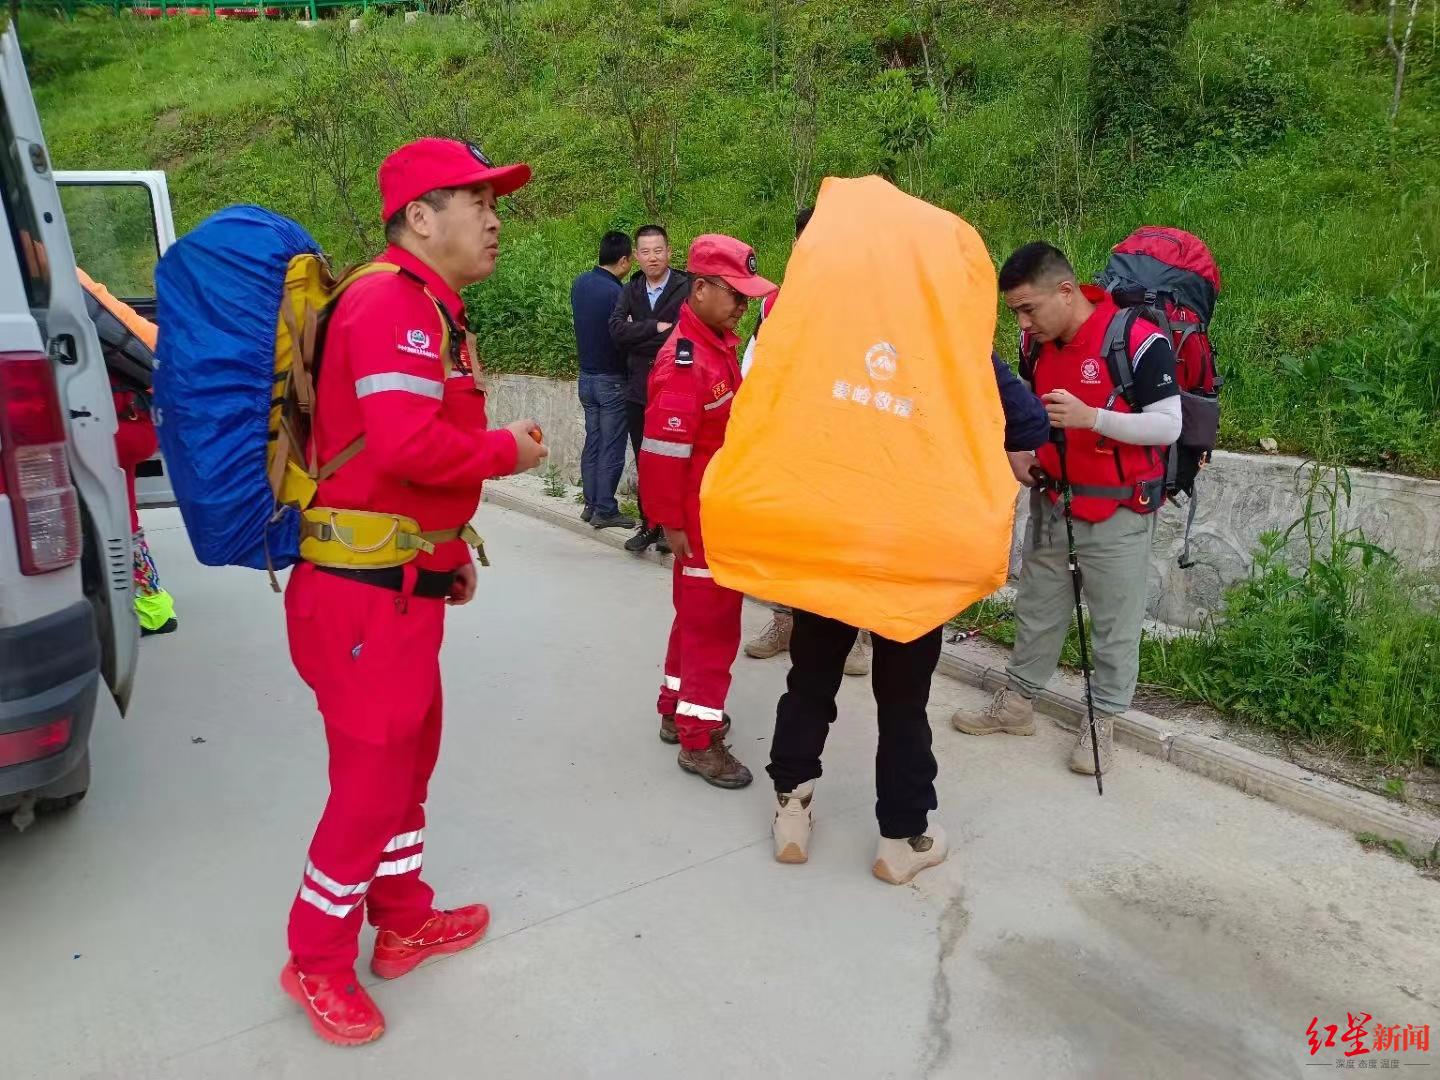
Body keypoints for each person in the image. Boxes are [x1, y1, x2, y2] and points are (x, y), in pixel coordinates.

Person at [278, 137, 549, 1047]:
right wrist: (506, 452)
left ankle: (400, 920)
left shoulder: (428, 306)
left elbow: (392, 470)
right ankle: (316, 957)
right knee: (369, 778)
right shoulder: (392, 302)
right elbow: (403, 447)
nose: (495, 217)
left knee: (409, 760)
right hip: (359, 600)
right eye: (478, 201)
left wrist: (444, 551)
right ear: (420, 218)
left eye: (495, 201)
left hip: (400, 585)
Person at [767, 352, 1052, 884]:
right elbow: (1029, 423)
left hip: (833, 533)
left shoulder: (836, 328)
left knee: (809, 682)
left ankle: (791, 811)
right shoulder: (951, 340)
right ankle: (901, 839)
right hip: (914, 548)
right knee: (902, 703)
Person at [950, 241, 1181, 777]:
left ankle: (1102, 721)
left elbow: (1168, 425)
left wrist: (1093, 418)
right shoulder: (1039, 347)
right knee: (1037, 604)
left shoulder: (1138, 341)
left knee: (1113, 620)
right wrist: (1024, 456)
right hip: (1055, 498)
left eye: (1029, 309)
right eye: (1016, 314)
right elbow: (1033, 416)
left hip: (1120, 510)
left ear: (1067, 289)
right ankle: (1017, 703)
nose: (1024, 324)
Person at [639, 234, 776, 788]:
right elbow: (661, 452)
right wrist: (670, 522)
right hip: (697, 517)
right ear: (699, 289)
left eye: (747, 298)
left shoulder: (715, 344)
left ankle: (676, 706)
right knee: (713, 629)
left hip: (711, 509)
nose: (742, 306)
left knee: (694, 620)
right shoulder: (686, 362)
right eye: (735, 295)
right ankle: (699, 740)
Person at [741, 207, 870, 677]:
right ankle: (784, 620)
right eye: (803, 242)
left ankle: (857, 635)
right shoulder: (775, 302)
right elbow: (753, 364)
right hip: (790, 443)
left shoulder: (866, 305)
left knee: (846, 542)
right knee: (788, 540)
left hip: (845, 445)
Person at [76, 268, 178, 637]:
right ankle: (145, 604)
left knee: (116, 518)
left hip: (113, 426)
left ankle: (152, 608)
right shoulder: (77, 285)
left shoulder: (43, 282)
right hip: (128, 420)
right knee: (120, 514)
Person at [609, 224, 691, 553]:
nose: (653, 257)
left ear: (669, 252)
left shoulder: (686, 287)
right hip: (638, 389)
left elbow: (685, 332)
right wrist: (655, 327)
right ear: (637, 257)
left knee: (675, 460)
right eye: (645, 252)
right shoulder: (631, 290)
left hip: (675, 389)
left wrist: (638, 333)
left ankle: (675, 527)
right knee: (645, 459)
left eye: (658, 250)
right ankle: (649, 526)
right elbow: (616, 330)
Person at [571, 231, 635, 529]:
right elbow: (624, 335)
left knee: (593, 441)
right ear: (623, 260)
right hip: (611, 380)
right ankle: (606, 509)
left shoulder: (580, 283)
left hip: (586, 377)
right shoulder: (617, 294)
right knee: (611, 444)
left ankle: (590, 503)